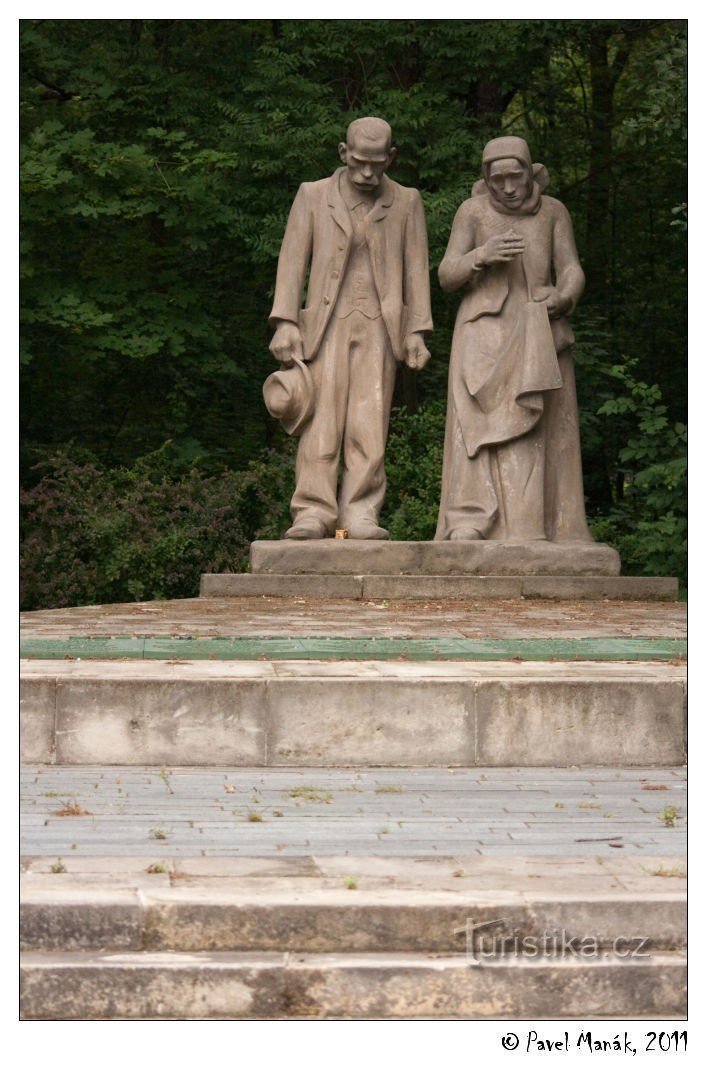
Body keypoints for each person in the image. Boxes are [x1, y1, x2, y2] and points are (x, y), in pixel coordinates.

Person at [267, 117, 432, 540]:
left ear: (390, 158)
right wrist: (285, 321)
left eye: (377, 165)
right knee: (320, 421)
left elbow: (417, 270)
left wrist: (417, 330)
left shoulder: (407, 202)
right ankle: (313, 510)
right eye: (359, 162)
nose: (367, 173)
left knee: (369, 420)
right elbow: (291, 262)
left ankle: (361, 511)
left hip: (380, 326)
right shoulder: (313, 195)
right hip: (324, 324)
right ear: (344, 153)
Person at [435, 135, 593, 544]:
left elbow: (572, 268)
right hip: (481, 333)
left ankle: (531, 524)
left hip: (536, 326)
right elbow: (448, 275)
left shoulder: (553, 212)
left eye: (515, 176)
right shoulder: (471, 212)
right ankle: (469, 518)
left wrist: (563, 296)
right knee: (473, 424)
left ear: (530, 171)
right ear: (486, 179)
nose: (507, 187)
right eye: (497, 179)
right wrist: (481, 255)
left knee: (535, 426)